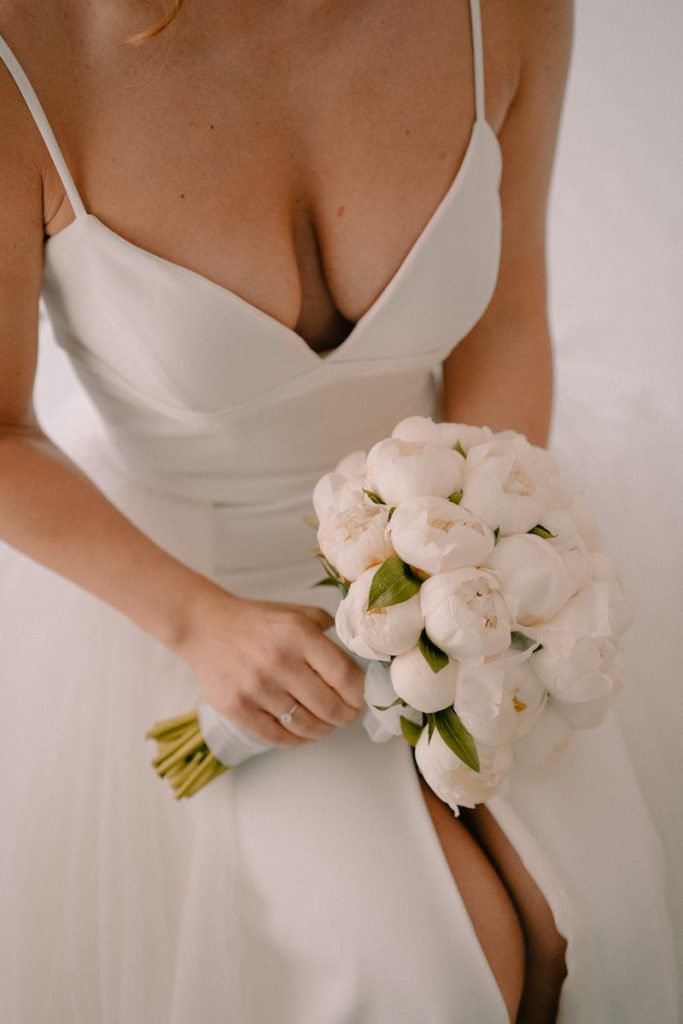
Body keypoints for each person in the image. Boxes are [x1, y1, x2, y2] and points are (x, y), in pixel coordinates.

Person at [0, 1, 677, 1021]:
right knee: (428, 972)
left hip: (458, 536)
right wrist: (200, 624)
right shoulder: (24, 55)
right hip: (197, 583)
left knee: (591, 921)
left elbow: (506, 314)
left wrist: (470, 574)